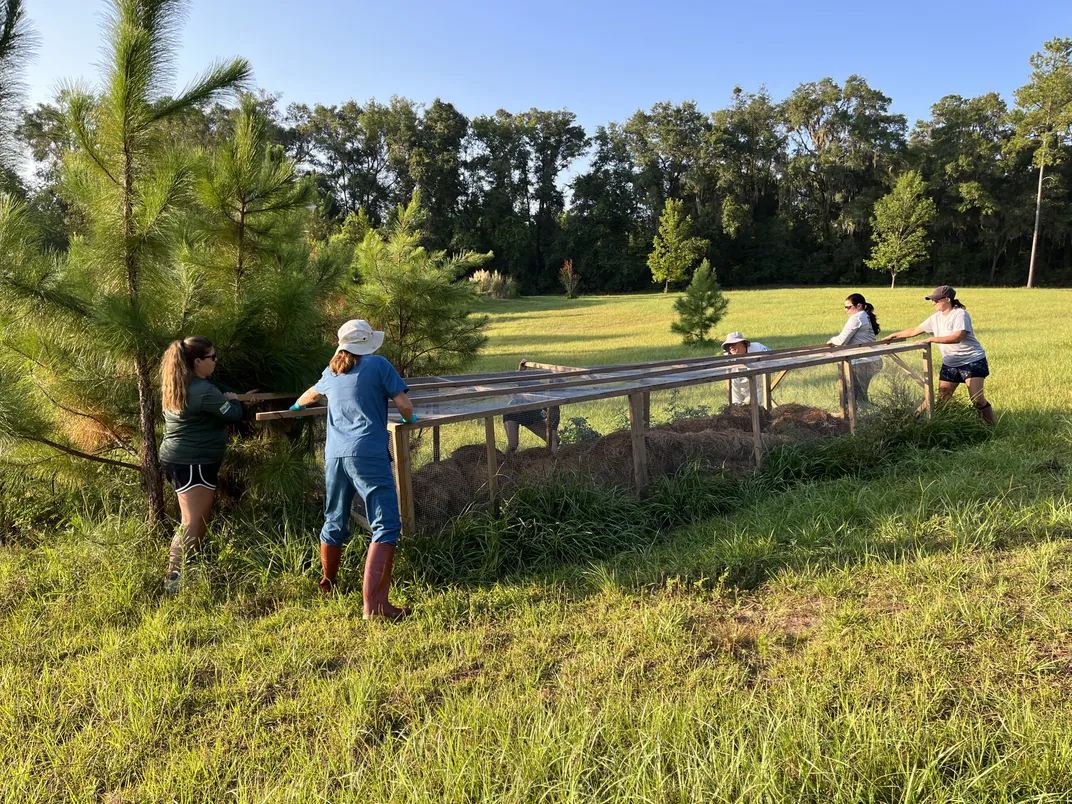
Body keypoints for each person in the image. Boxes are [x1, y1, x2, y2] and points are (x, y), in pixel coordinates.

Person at [291, 319, 417, 620]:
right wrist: (410, 421)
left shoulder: (333, 369)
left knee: (335, 518)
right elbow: (404, 404)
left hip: (335, 456)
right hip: (368, 454)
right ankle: (376, 607)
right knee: (386, 524)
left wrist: (296, 408)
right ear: (367, 343)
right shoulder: (378, 365)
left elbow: (309, 396)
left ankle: (328, 584)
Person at [159, 336, 244, 594]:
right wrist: (235, 400)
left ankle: (186, 572)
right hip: (193, 461)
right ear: (198, 361)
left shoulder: (184, 384)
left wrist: (226, 393)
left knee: (198, 520)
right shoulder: (203, 391)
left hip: (182, 459)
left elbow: (214, 389)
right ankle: (173, 581)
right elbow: (233, 414)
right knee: (191, 522)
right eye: (212, 358)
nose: (216, 362)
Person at [883, 285, 995, 424]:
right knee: (942, 399)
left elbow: (958, 336)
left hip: (972, 361)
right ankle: (939, 424)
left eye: (936, 300)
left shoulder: (960, 314)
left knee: (977, 399)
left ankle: (990, 428)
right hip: (950, 364)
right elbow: (913, 330)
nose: (933, 303)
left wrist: (932, 339)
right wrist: (893, 336)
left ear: (947, 299)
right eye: (932, 300)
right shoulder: (935, 318)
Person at [828, 292, 883, 405]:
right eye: (845, 307)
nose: (846, 310)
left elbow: (841, 341)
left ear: (859, 306)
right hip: (871, 360)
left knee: (852, 398)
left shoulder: (857, 318)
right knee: (858, 396)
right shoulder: (865, 316)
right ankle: (865, 417)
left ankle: (855, 419)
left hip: (863, 362)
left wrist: (831, 340)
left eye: (849, 307)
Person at [503, 361, 560, 454]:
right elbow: (517, 381)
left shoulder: (554, 405)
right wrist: (520, 371)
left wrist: (552, 459)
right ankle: (505, 462)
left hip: (531, 416)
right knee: (513, 445)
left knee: (555, 439)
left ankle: (548, 460)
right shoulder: (536, 385)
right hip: (513, 412)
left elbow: (552, 433)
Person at [722, 331, 771, 406]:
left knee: (754, 407)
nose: (731, 347)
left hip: (757, 385)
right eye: (729, 345)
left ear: (742, 343)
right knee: (736, 408)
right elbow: (728, 375)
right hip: (737, 386)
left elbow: (772, 357)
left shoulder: (758, 347)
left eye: (733, 344)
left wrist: (758, 366)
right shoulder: (728, 356)